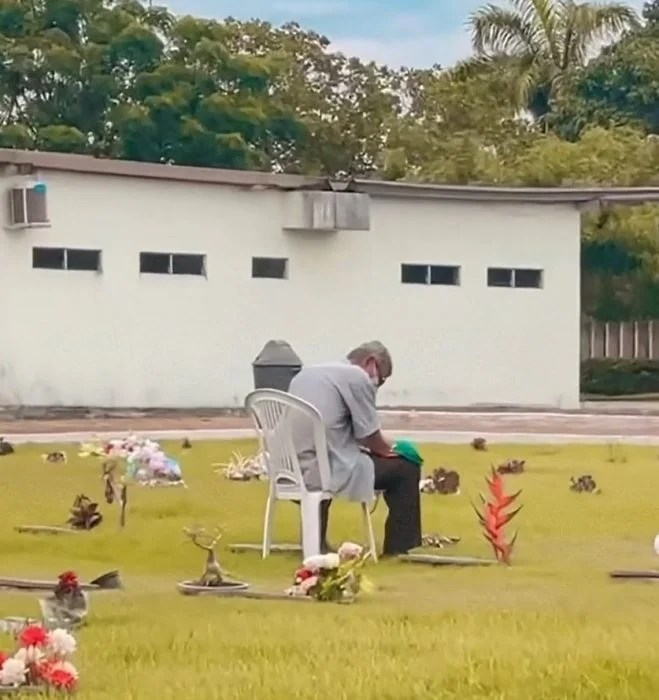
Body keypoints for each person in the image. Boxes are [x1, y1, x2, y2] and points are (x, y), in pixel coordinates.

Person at [288, 341, 422, 556]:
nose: (377, 386)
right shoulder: (356, 377)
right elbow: (370, 436)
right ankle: (400, 547)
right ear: (371, 363)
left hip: (292, 467)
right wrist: (395, 449)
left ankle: (315, 541)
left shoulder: (306, 374)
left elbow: (333, 425)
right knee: (406, 467)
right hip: (328, 469)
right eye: (382, 380)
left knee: (321, 456)